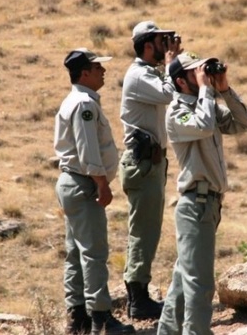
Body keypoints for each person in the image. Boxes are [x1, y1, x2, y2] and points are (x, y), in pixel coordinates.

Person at [157, 52, 247, 335]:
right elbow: (201, 126)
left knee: (183, 279)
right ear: (181, 80)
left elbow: (246, 123)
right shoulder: (177, 111)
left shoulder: (207, 104)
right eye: (194, 72)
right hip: (195, 203)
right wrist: (205, 91)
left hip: (209, 204)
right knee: (200, 284)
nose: (201, 75)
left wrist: (224, 90)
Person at [54, 47, 136, 335]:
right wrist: (102, 183)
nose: (103, 71)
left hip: (72, 182)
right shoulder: (84, 105)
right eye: (97, 67)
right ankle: (102, 319)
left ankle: (78, 319)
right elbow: (88, 149)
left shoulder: (75, 100)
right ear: (85, 72)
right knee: (94, 253)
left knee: (76, 253)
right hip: (84, 183)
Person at [119, 20, 182, 320]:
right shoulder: (138, 76)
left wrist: (172, 62)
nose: (165, 45)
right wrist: (172, 63)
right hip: (142, 164)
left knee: (149, 230)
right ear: (147, 45)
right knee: (144, 232)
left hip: (151, 163)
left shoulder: (149, 74)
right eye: (160, 41)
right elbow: (170, 94)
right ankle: (138, 299)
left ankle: (139, 294)